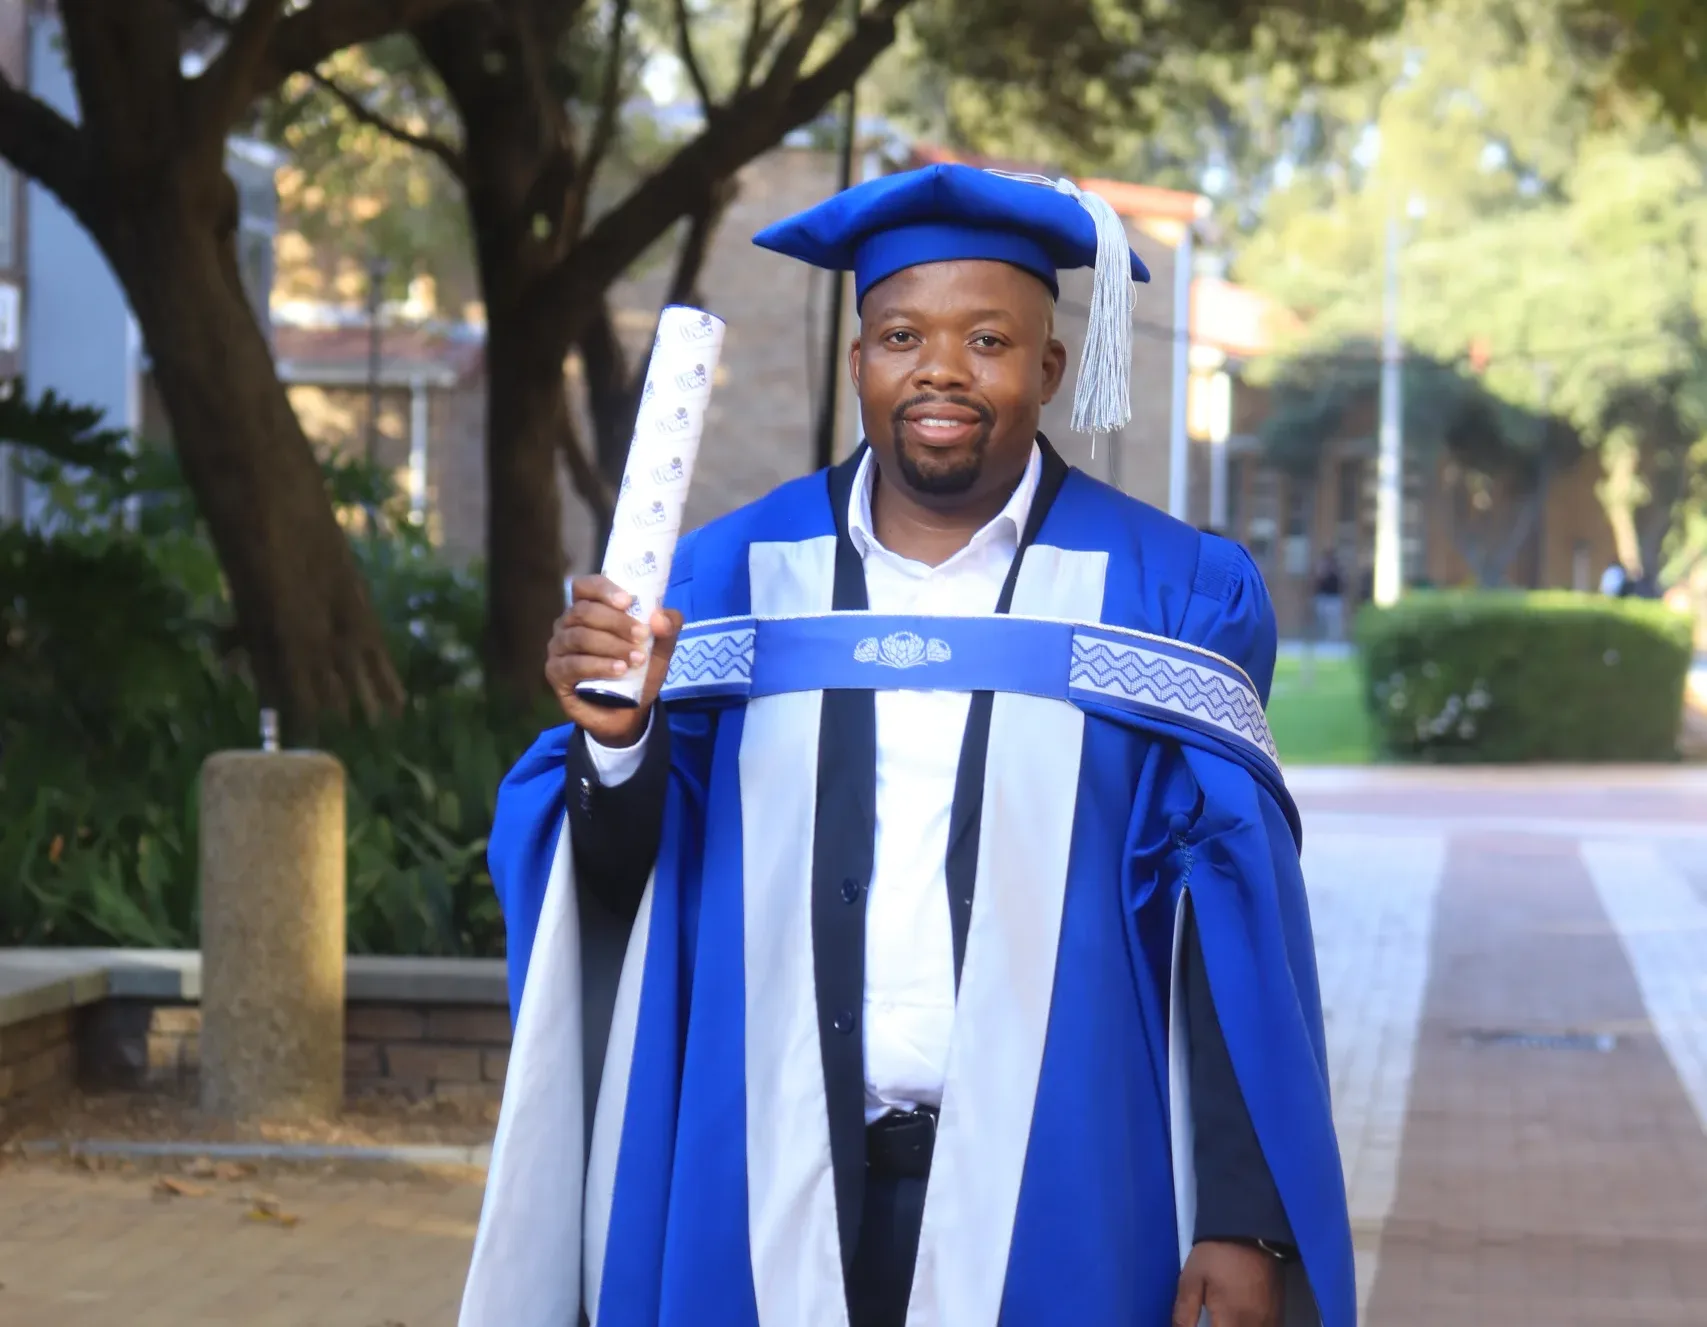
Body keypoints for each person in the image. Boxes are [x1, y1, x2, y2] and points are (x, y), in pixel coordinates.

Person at [459, 164, 1352, 1327]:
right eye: (901, 334)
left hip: (1070, 1185)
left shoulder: (1165, 592)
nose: (940, 369)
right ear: (858, 363)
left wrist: (1242, 1217)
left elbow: (1227, 919)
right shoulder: (727, 578)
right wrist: (617, 746)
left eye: (988, 338)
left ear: (1049, 366)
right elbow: (634, 892)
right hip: (757, 1167)